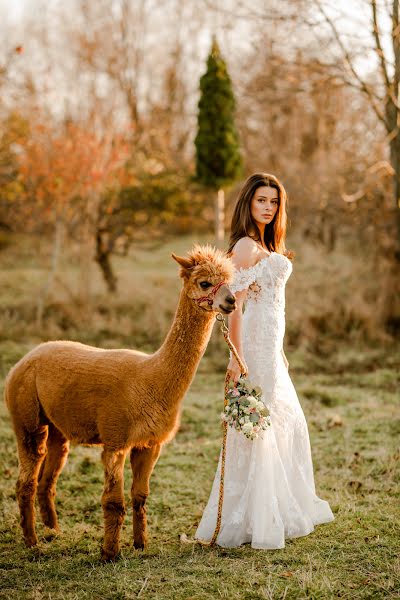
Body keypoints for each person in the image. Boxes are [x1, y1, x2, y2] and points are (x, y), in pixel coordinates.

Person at [195, 173, 334, 549]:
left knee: (285, 421)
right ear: (248, 203)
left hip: (271, 345)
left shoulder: (266, 243)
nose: (268, 207)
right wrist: (237, 357)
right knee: (258, 425)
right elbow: (234, 304)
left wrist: (282, 350)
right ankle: (250, 517)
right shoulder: (243, 245)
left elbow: (271, 302)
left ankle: (273, 508)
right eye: (261, 200)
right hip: (252, 346)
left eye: (273, 201)